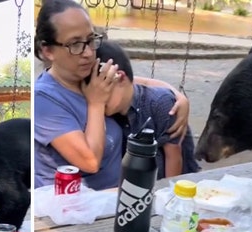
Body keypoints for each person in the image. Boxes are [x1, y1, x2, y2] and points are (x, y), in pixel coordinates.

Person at [33, 0, 191, 190]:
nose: (88, 53)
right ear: (48, 50)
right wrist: (96, 104)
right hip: (75, 207)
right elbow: (90, 162)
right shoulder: (43, 100)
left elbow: (133, 82)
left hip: (118, 198)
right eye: (75, 44)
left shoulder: (88, 73)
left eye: (91, 40)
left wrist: (178, 98)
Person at [95, 40, 200, 179]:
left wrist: (165, 192)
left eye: (103, 90)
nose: (96, 97)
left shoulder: (160, 104)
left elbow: (174, 157)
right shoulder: (107, 109)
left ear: (120, 78)